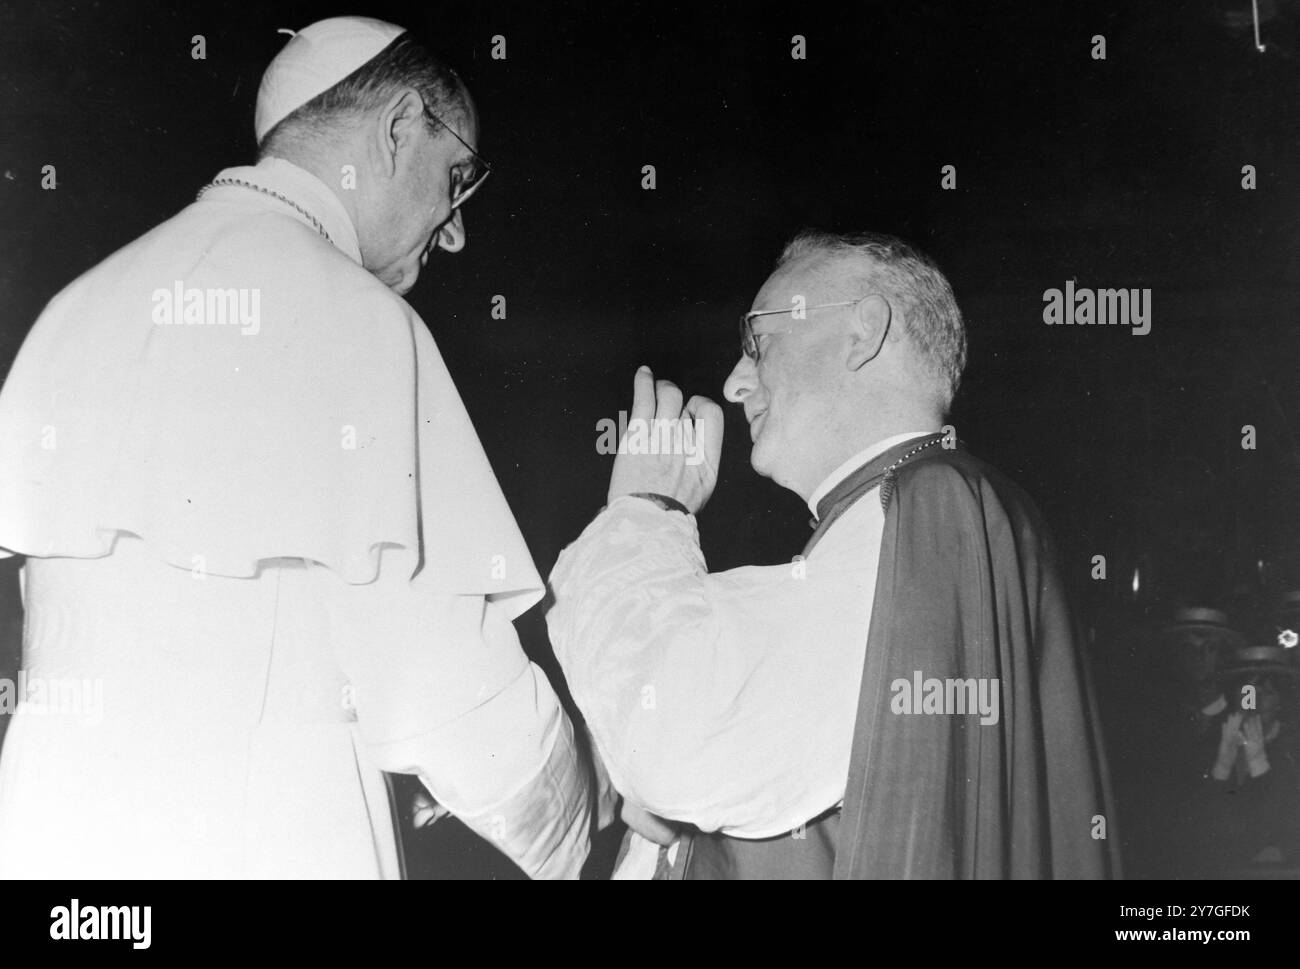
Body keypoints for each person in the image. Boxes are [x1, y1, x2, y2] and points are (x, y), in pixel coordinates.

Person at [0, 16, 604, 878]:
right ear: (400, 129)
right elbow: (448, 695)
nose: (458, 227)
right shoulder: (358, 321)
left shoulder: (73, 307)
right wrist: (582, 815)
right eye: (458, 177)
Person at [547, 230, 1118, 878]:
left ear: (863, 331)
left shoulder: (932, 504)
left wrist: (646, 513)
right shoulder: (923, 514)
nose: (735, 383)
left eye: (758, 342)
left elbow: (676, 742)